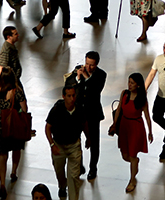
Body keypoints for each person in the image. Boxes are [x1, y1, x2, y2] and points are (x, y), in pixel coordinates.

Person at [64, 51, 107, 181]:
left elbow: (96, 90)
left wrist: (87, 77)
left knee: (94, 142)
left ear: (97, 64)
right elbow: (68, 85)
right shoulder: (78, 71)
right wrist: (78, 78)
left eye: (92, 65)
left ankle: (93, 168)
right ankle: (80, 165)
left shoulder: (101, 75)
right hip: (78, 113)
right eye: (87, 63)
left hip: (93, 113)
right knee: (76, 140)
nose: (88, 67)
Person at [109, 73, 153, 192]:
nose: (129, 85)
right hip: (124, 125)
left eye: (132, 83)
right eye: (129, 82)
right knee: (125, 155)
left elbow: (147, 116)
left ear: (138, 85)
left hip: (136, 127)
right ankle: (135, 163)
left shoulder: (142, 99)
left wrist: (150, 132)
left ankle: (132, 180)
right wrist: (114, 124)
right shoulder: (124, 94)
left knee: (132, 155)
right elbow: (119, 110)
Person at [0, 67, 28, 199]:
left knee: (2, 155)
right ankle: (13, 172)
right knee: (16, 149)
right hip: (15, 125)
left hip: (1, 125)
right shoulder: (17, 92)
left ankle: (2, 183)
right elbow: (24, 108)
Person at [45, 86, 89, 200]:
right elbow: (48, 127)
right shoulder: (57, 109)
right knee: (59, 171)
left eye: (73, 95)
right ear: (64, 96)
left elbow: (84, 124)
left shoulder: (79, 109)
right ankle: (62, 185)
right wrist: (52, 145)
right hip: (58, 145)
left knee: (74, 176)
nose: (72, 98)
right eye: (69, 96)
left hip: (74, 145)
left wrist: (89, 138)